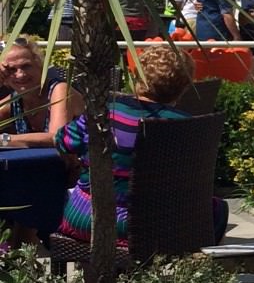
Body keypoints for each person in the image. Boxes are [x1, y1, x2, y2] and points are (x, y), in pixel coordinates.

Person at [54, 40, 227, 244]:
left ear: (136, 77)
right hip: (153, 226)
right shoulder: (185, 126)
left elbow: (61, 141)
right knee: (218, 209)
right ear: (185, 86)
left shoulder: (103, 113)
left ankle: (95, 272)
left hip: (85, 219)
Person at [0, 38, 82, 147]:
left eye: (26, 66)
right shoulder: (15, 102)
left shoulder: (60, 91)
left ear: (40, 65)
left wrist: (5, 140)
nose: (20, 75)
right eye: (11, 70)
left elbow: (57, 138)